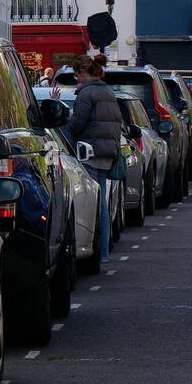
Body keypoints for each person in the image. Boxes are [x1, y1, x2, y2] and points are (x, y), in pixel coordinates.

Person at [67, 52, 123, 263]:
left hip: (89, 152)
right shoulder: (108, 92)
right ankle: (105, 251)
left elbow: (76, 125)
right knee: (103, 204)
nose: (76, 79)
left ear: (83, 73)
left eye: (76, 75)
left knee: (94, 205)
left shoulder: (86, 94)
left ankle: (97, 250)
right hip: (106, 153)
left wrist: (65, 117)